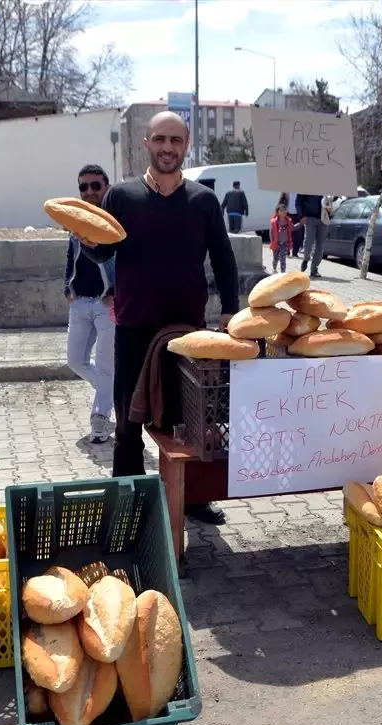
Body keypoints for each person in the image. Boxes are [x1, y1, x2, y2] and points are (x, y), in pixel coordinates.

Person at [80, 111, 238, 525]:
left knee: (193, 419)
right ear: (147, 144)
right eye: (160, 140)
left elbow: (223, 256)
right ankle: (126, 500)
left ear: (186, 145)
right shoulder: (121, 196)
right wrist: (87, 242)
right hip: (133, 327)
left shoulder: (203, 200)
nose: (168, 148)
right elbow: (103, 252)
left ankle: (194, 497)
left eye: (176, 140)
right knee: (129, 420)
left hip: (188, 331)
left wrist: (229, 311)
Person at [64, 164, 117, 444]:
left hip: (106, 304)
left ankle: (100, 418)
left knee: (107, 366)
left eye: (95, 185)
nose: (89, 191)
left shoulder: (114, 221)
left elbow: (128, 261)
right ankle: (115, 392)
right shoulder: (76, 221)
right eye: (83, 186)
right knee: (75, 361)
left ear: (106, 186)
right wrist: (66, 286)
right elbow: (70, 255)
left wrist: (117, 291)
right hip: (80, 302)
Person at [296, 193, 324, 278]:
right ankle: (306, 258)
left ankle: (314, 268)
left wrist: (334, 197)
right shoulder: (306, 185)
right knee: (309, 241)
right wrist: (301, 216)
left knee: (320, 244)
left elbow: (334, 197)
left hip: (324, 217)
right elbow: (298, 202)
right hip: (309, 216)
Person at [269, 204, 293, 273]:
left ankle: (282, 273)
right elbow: (271, 232)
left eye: (285, 210)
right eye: (281, 211)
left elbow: (293, 228)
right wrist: (272, 242)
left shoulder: (288, 221)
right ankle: (274, 269)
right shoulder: (274, 222)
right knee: (275, 258)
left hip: (284, 244)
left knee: (283, 259)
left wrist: (300, 224)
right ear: (278, 212)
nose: (283, 212)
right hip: (276, 243)